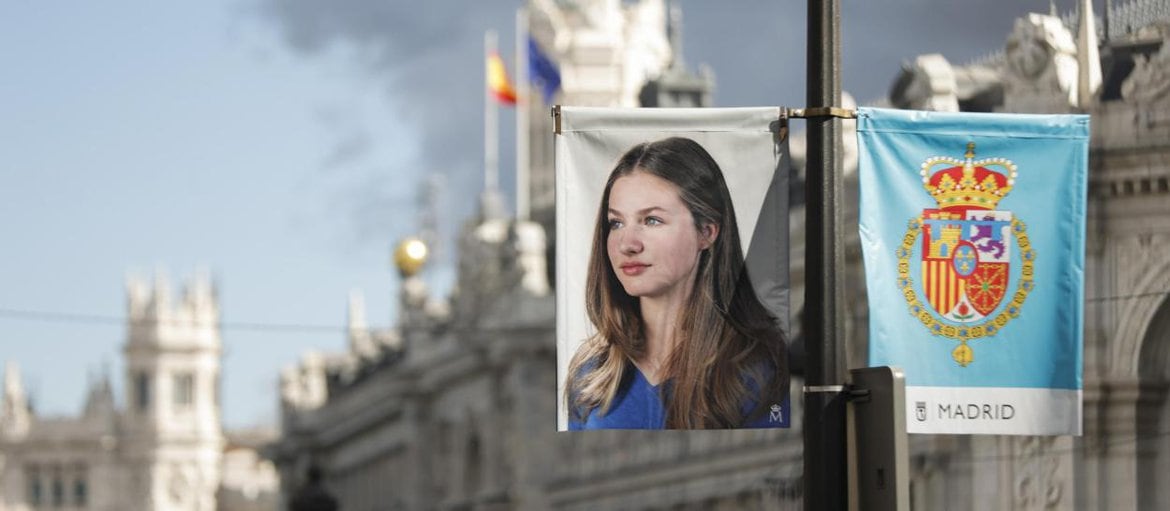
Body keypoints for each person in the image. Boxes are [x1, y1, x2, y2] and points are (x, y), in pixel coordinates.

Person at [565, 136, 789, 430]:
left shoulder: (759, 371)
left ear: (706, 232)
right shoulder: (591, 373)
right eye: (616, 223)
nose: (627, 244)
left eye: (652, 220)